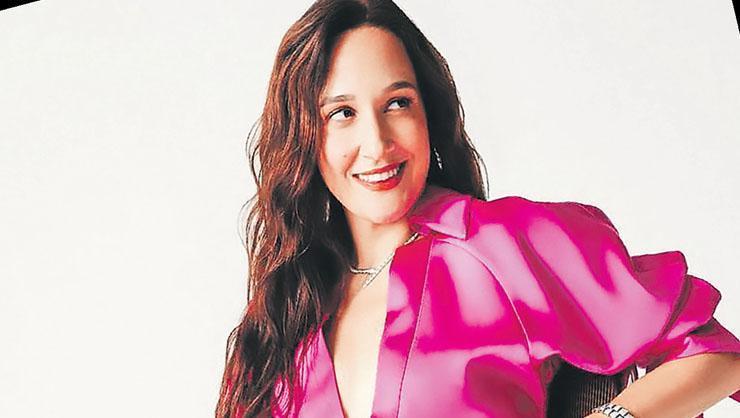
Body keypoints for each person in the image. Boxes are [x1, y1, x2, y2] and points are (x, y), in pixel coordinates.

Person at [216, 1, 740, 417]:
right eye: (342, 113)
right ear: (304, 136)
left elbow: (717, 354)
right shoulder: (282, 318)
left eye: (397, 103)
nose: (376, 143)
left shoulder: (505, 245)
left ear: (428, 111)